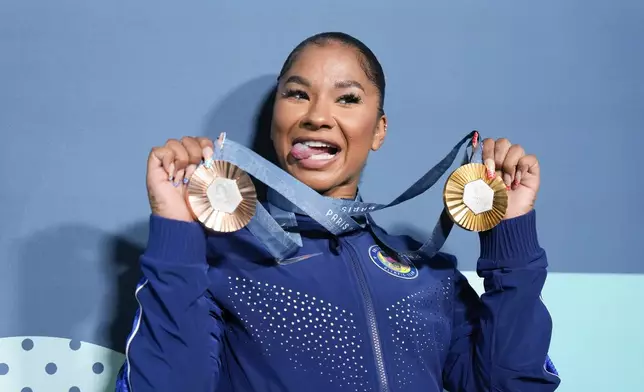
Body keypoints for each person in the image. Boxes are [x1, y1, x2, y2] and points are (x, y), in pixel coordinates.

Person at [115, 32, 560, 392]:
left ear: (379, 129)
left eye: (347, 99)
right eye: (296, 95)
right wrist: (177, 231)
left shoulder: (430, 275)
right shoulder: (220, 261)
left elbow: (512, 385)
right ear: (275, 122)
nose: (317, 117)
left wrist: (509, 236)